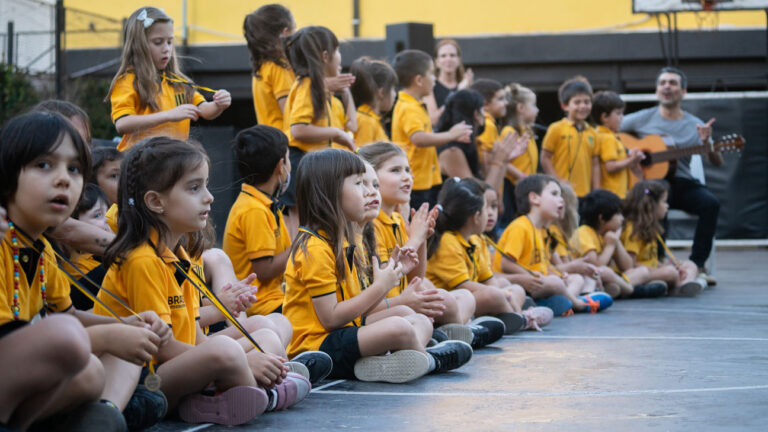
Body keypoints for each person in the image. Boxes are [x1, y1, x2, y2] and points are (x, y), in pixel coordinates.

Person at [95, 137, 310, 426]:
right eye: (194, 188)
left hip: (176, 368)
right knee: (228, 351)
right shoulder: (142, 260)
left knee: (266, 335)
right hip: (149, 384)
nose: (209, 196)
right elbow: (161, 348)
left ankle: (214, 396)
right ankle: (263, 394)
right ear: (155, 201)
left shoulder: (178, 254)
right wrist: (242, 361)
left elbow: (194, 336)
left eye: (205, 185)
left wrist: (240, 357)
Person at [0, 112, 172, 431]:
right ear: (8, 175)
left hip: (24, 384)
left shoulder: (41, 251)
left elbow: (69, 315)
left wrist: (125, 325)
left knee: (99, 366)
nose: (65, 178)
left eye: (75, 168)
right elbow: (48, 334)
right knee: (68, 339)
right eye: (44, 165)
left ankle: (103, 413)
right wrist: (108, 335)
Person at [283, 149, 472, 383]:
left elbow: (363, 310)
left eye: (373, 184)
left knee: (413, 317)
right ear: (330, 192)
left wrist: (398, 271)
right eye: (360, 184)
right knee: (399, 327)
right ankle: (431, 360)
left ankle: (385, 361)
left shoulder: (348, 242)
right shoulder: (315, 247)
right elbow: (330, 318)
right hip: (318, 346)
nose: (371, 191)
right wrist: (381, 286)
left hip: (347, 332)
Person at [358, 143, 505, 348]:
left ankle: (449, 335)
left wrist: (422, 239)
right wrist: (416, 239)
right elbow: (387, 278)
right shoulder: (371, 224)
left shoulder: (398, 221)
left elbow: (416, 276)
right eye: (395, 170)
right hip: (386, 306)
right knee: (444, 299)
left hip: (403, 300)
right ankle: (455, 337)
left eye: (408, 170)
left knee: (464, 298)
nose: (407, 177)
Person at [620, 67, 720, 284]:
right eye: (662, 82)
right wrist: (629, 154)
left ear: (683, 91)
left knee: (710, 204)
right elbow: (609, 134)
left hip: (682, 182)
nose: (667, 86)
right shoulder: (640, 119)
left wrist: (707, 144)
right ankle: (657, 259)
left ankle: (698, 264)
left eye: (673, 83)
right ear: (657, 90)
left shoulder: (695, 124)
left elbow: (716, 161)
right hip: (650, 185)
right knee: (655, 192)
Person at [107, 7, 231, 152]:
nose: (166, 49)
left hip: (172, 160)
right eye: (158, 42)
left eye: (170, 42)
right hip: (140, 163)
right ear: (138, 45)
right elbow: (122, 123)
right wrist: (169, 115)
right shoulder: (128, 81)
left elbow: (204, 110)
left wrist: (219, 104)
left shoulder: (177, 82)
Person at [493, 174, 612, 315]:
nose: (561, 199)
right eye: (554, 194)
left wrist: (562, 274)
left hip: (537, 283)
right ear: (534, 198)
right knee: (555, 282)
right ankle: (577, 304)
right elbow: (506, 264)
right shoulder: (520, 227)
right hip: (517, 282)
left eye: (560, 195)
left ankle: (555, 302)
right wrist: (530, 276)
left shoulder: (542, 231)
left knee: (575, 279)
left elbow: (544, 266)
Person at [426, 177, 532, 333]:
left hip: (474, 296)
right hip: (456, 301)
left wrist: (506, 295)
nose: (489, 213)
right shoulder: (448, 241)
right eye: (486, 207)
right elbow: (464, 286)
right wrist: (504, 297)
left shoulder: (476, 240)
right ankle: (517, 319)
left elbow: (488, 279)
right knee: (494, 294)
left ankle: (504, 317)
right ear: (476, 217)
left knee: (512, 288)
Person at [282, 25, 355, 235]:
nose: (340, 57)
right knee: (302, 222)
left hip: (315, 163)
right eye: (337, 51)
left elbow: (350, 124)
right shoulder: (307, 85)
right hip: (301, 161)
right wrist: (336, 133)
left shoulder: (319, 88)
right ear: (325, 56)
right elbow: (298, 129)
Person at [391, 49, 473, 208]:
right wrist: (450, 135)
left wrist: (452, 136)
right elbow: (419, 138)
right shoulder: (409, 107)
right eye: (432, 74)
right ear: (419, 80)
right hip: (415, 183)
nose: (435, 79)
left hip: (423, 180)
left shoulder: (415, 104)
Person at [571, 189, 666, 299]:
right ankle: (632, 290)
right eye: (618, 214)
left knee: (641, 272)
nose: (622, 218)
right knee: (606, 272)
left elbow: (627, 267)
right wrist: (610, 246)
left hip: (605, 279)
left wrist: (617, 242)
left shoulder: (608, 235)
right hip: (589, 276)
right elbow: (596, 267)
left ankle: (615, 290)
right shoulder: (584, 232)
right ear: (602, 218)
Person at [622, 180, 708, 297]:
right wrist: (662, 269)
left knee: (690, 264)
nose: (667, 206)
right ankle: (678, 287)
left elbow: (650, 259)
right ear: (652, 205)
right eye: (664, 202)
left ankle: (685, 285)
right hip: (641, 273)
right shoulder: (634, 229)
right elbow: (631, 264)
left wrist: (665, 266)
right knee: (670, 272)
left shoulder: (650, 228)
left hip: (652, 270)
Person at [540, 76, 598, 197]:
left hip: (586, 194)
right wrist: (557, 182)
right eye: (577, 102)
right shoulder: (556, 128)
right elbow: (545, 158)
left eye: (587, 102)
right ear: (564, 106)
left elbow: (595, 164)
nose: (583, 106)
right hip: (563, 193)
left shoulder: (593, 132)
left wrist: (597, 191)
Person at [243, 4, 295, 130]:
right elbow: (292, 115)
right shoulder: (279, 67)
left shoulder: (263, 65)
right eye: (295, 29)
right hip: (285, 142)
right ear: (285, 32)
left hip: (271, 141)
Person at [499, 83, 540, 226]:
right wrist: (523, 177)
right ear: (521, 108)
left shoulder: (526, 131)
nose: (537, 110)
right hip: (513, 187)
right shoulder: (509, 131)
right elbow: (504, 161)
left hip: (526, 187)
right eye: (534, 105)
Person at [592, 91, 644, 199]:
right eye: (618, 113)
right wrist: (631, 160)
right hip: (613, 195)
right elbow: (610, 167)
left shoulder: (607, 136)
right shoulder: (607, 138)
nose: (622, 117)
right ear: (604, 117)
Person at [435, 89, 486, 179]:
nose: (486, 114)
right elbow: (473, 191)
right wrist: (499, 161)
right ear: (476, 113)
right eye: (483, 109)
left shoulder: (470, 142)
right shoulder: (452, 150)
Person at [349, 57, 398, 146]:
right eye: (393, 89)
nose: (395, 94)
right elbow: (362, 156)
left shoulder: (370, 118)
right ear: (382, 92)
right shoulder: (366, 120)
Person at [424, 39, 474, 124]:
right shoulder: (430, 86)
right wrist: (458, 93)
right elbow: (433, 120)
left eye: (452, 55)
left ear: (459, 60)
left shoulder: (466, 85)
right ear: (437, 62)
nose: (448, 59)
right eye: (443, 56)